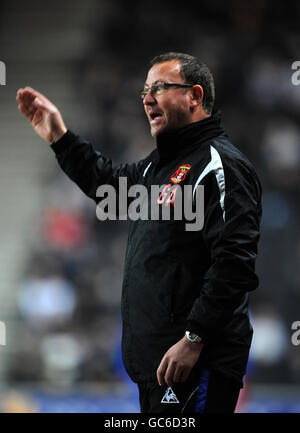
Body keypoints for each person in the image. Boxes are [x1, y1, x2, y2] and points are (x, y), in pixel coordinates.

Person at [16, 52, 262, 413]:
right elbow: (107, 186)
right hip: (160, 367)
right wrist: (59, 137)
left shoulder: (220, 165)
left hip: (198, 362)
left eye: (160, 88)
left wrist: (195, 338)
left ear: (194, 96)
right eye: (145, 90)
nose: (147, 99)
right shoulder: (156, 169)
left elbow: (234, 264)